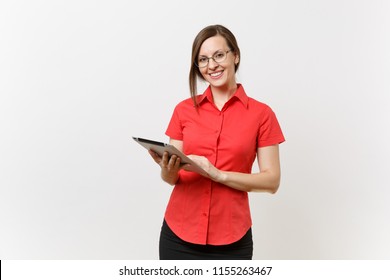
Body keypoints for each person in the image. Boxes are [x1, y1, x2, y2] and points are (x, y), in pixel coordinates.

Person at [149, 24, 285, 260]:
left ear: (236, 56)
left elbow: (272, 181)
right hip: (178, 234)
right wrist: (167, 169)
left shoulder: (262, 114)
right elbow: (173, 179)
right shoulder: (183, 111)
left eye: (219, 55)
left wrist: (218, 174)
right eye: (202, 60)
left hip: (232, 238)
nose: (211, 65)